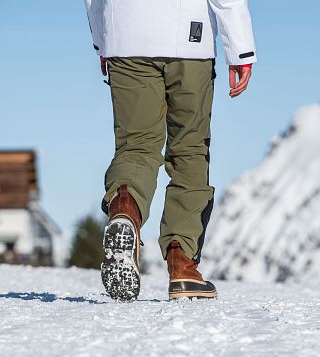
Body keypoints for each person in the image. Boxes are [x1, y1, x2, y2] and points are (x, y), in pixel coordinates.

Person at [85, 0, 256, 302]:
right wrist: (240, 51)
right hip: (190, 40)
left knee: (135, 146)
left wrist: (104, 41)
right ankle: (182, 266)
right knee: (189, 150)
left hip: (125, 37)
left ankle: (124, 212)